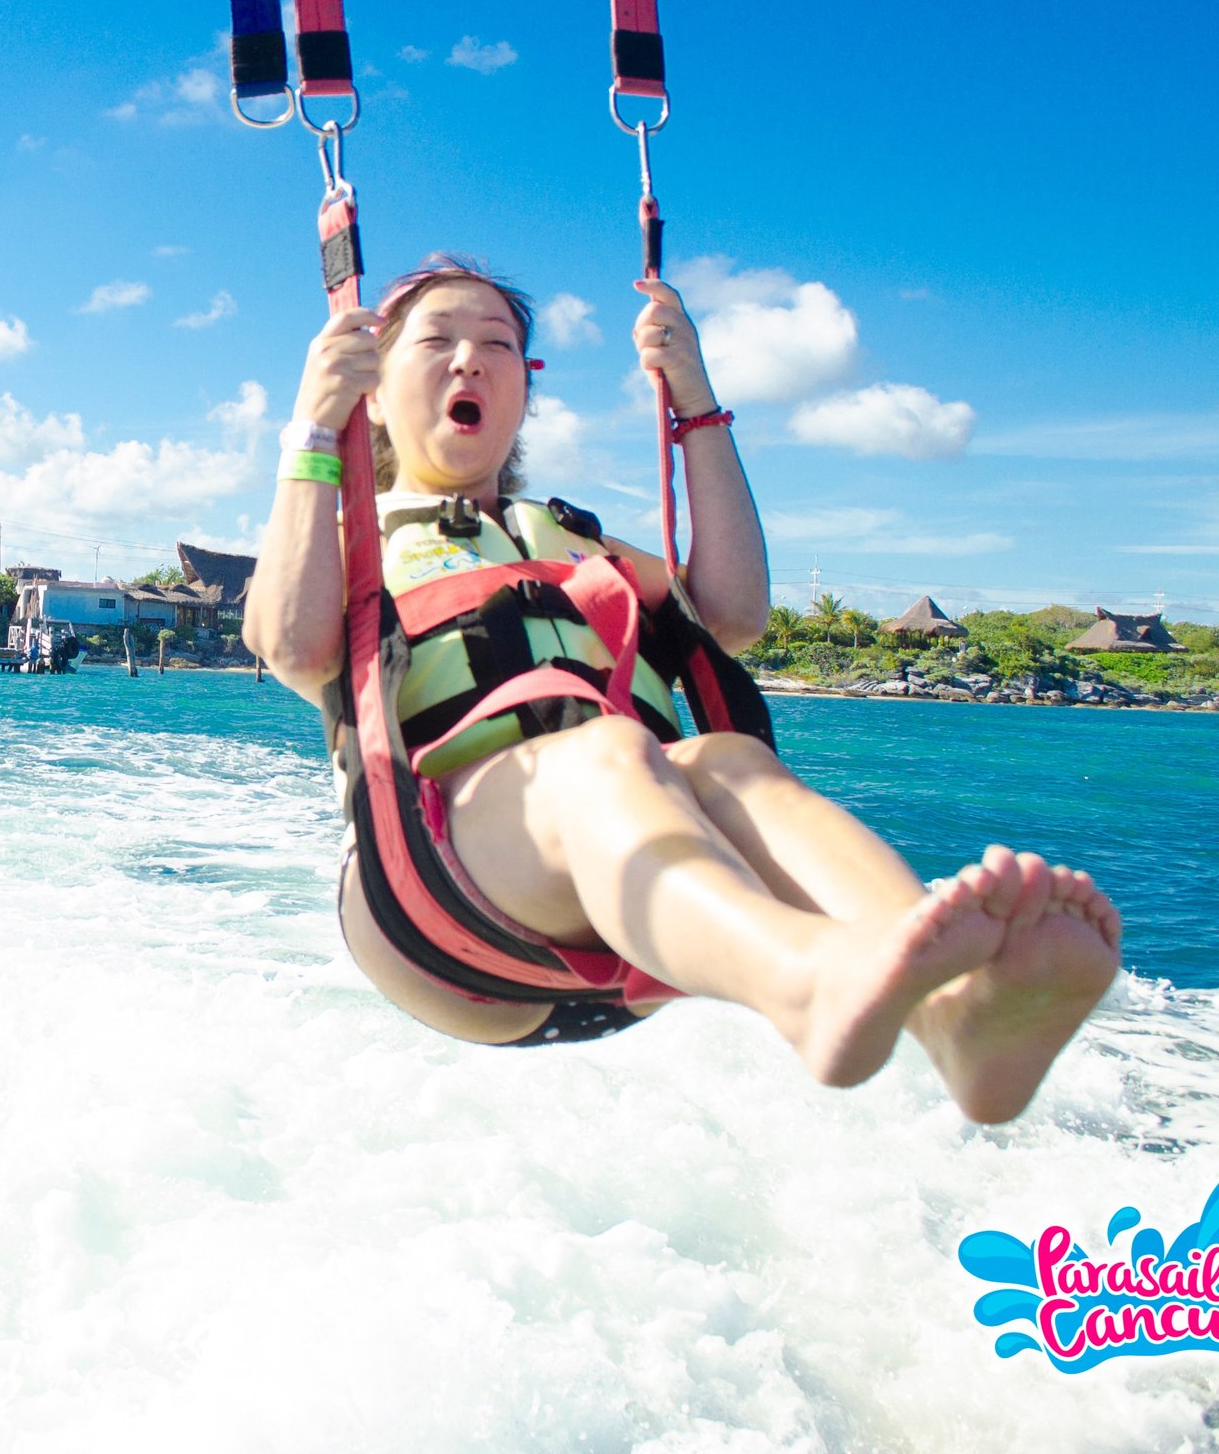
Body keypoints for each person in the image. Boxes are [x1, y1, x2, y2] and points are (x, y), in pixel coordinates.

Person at [243, 254, 1121, 1123]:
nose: (470, 358)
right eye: (436, 340)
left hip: (633, 944)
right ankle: (804, 978)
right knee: (612, 751)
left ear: (523, 389)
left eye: (499, 345)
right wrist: (315, 430)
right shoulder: (352, 538)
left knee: (729, 759)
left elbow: (730, 616)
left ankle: (956, 1013)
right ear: (372, 385)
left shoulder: (577, 542)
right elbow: (289, 642)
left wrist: (696, 400)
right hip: (441, 909)